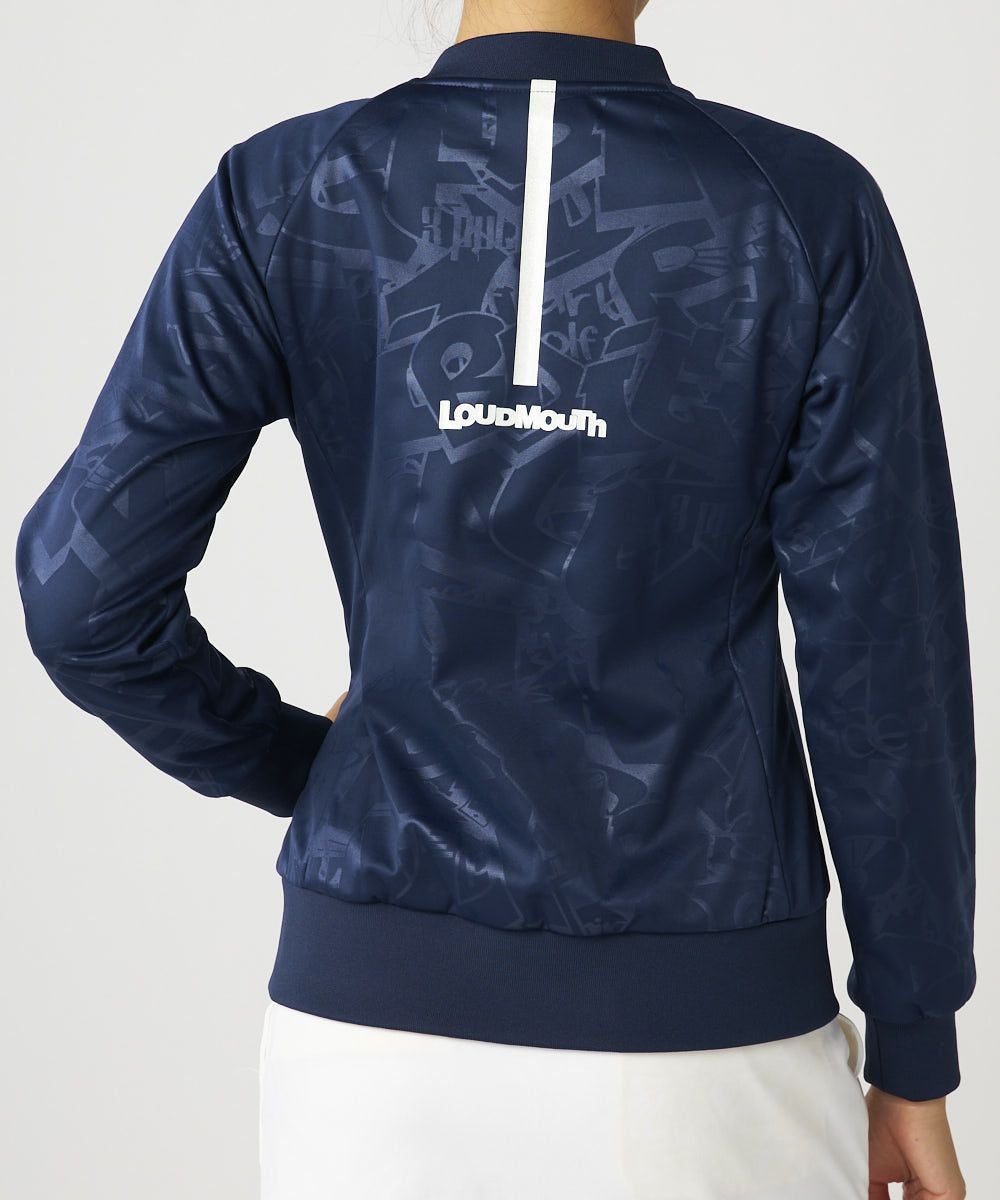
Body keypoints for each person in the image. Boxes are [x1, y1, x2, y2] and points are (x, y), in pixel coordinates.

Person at [14, 1, 976, 1197]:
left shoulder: (287, 191)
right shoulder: (803, 208)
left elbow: (81, 596)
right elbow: (882, 667)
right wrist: (912, 1046)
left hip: (360, 1052)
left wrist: (303, 766)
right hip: (705, 1040)